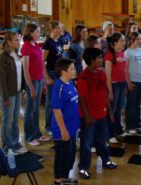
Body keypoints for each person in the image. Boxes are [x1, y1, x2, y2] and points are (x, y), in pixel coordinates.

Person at [78, 48, 117, 179]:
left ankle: (106, 160)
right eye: (99, 58)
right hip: (90, 117)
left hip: (102, 115)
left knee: (102, 141)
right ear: (91, 60)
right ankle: (83, 167)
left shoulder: (101, 74)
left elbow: (104, 93)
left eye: (101, 57)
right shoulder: (84, 77)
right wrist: (87, 116)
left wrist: (110, 112)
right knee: (87, 144)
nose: (101, 60)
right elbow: (81, 98)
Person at [0, 31, 27, 154]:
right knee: (7, 121)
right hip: (8, 93)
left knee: (15, 120)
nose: (18, 42)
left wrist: (23, 88)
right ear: (9, 42)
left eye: (18, 39)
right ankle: (6, 147)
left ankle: (15, 144)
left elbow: (20, 73)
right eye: (16, 40)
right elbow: (2, 79)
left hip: (17, 91)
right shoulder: (3, 56)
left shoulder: (15, 53)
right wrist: (5, 98)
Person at [51, 58, 79, 185]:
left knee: (70, 156)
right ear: (63, 72)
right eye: (72, 69)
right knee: (61, 157)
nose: (75, 71)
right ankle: (58, 181)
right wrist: (63, 130)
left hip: (72, 128)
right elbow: (57, 111)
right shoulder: (59, 88)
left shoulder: (71, 83)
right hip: (63, 131)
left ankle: (64, 177)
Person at [22, 23, 50, 146]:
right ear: (30, 33)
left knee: (36, 110)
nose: (39, 34)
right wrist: (31, 88)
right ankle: (29, 136)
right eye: (37, 32)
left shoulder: (37, 45)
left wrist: (44, 82)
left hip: (39, 79)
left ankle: (37, 133)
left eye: (39, 31)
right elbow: (26, 70)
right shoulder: (26, 47)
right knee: (29, 110)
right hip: (32, 81)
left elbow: (40, 66)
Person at [42, 21, 64, 134]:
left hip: (59, 73)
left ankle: (56, 122)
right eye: (58, 29)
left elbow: (60, 57)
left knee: (58, 99)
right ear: (52, 30)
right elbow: (42, 62)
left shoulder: (60, 41)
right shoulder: (48, 43)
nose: (60, 31)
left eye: (61, 29)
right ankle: (48, 126)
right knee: (50, 101)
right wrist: (47, 78)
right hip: (51, 73)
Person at [105, 32, 126, 143]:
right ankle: (110, 133)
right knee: (112, 110)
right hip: (114, 85)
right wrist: (110, 91)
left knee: (119, 109)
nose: (124, 43)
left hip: (122, 84)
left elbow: (124, 70)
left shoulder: (122, 53)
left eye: (124, 40)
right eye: (121, 41)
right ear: (114, 43)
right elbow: (108, 75)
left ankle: (118, 129)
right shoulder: (109, 55)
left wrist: (126, 84)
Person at [125, 32, 141, 134]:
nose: (140, 41)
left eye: (140, 39)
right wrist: (128, 82)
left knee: (137, 104)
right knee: (131, 104)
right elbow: (126, 69)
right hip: (132, 81)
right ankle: (129, 126)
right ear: (132, 40)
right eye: (138, 39)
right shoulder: (128, 52)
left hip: (140, 80)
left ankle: (137, 123)